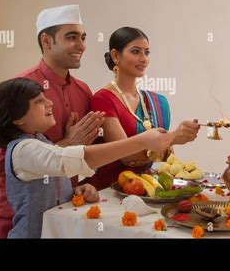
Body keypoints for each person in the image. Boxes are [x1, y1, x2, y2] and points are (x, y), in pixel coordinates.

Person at [0, 77, 173, 238]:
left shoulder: (40, 141)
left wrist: (75, 190)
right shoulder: (22, 150)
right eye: (38, 101)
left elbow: (51, 178)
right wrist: (141, 141)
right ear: (18, 119)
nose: (49, 103)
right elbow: (77, 159)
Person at [0, 5, 105, 238]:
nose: (82, 45)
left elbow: (92, 151)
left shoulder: (84, 90)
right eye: (71, 37)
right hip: (16, 216)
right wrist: (64, 145)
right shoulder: (17, 90)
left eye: (83, 37)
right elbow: (1, 164)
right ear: (46, 41)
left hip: (65, 211)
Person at [84, 27, 200, 190]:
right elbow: (125, 156)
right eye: (136, 51)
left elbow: (168, 157)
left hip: (149, 187)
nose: (144, 58)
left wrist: (155, 149)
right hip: (110, 189)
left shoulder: (158, 102)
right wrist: (172, 138)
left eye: (147, 52)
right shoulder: (103, 99)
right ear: (115, 55)